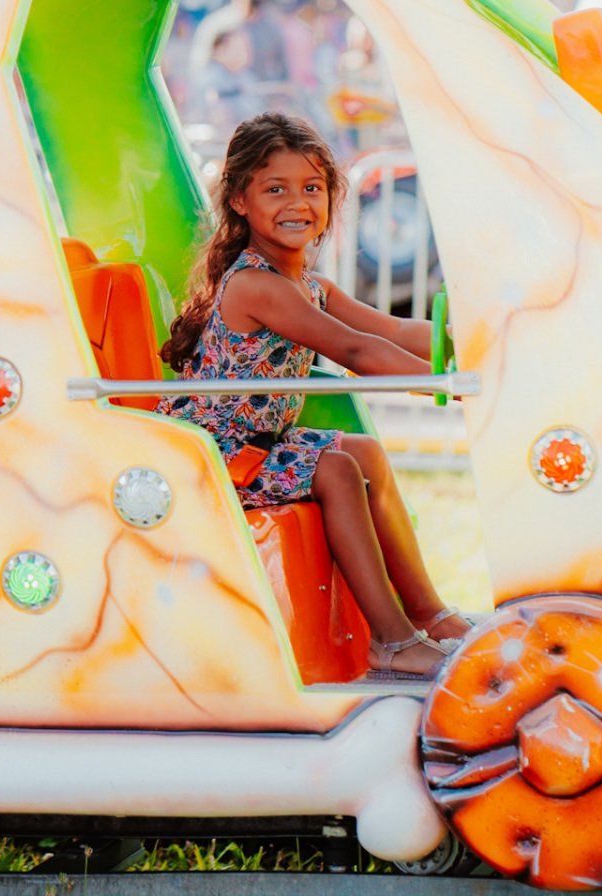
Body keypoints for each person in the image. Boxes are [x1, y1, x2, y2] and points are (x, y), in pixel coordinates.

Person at [157, 113, 466, 677]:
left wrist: (472, 344)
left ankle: (431, 614)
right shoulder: (257, 286)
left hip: (257, 449)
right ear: (239, 202)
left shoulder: (309, 285)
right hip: (216, 459)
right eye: (275, 189)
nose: (296, 203)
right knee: (338, 469)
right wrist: (451, 387)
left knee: (364, 453)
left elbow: (391, 332)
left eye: (312, 188)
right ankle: (392, 643)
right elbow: (355, 352)